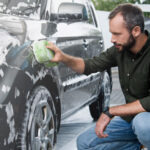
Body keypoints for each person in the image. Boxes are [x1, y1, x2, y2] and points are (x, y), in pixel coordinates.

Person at [47, 3, 150, 150]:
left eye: (117, 34)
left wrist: (111, 111)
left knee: (143, 126)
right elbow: (89, 65)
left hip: (146, 120)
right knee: (84, 143)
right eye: (111, 33)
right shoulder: (119, 50)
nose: (112, 39)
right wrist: (63, 57)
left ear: (136, 31)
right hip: (130, 118)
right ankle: (139, 146)